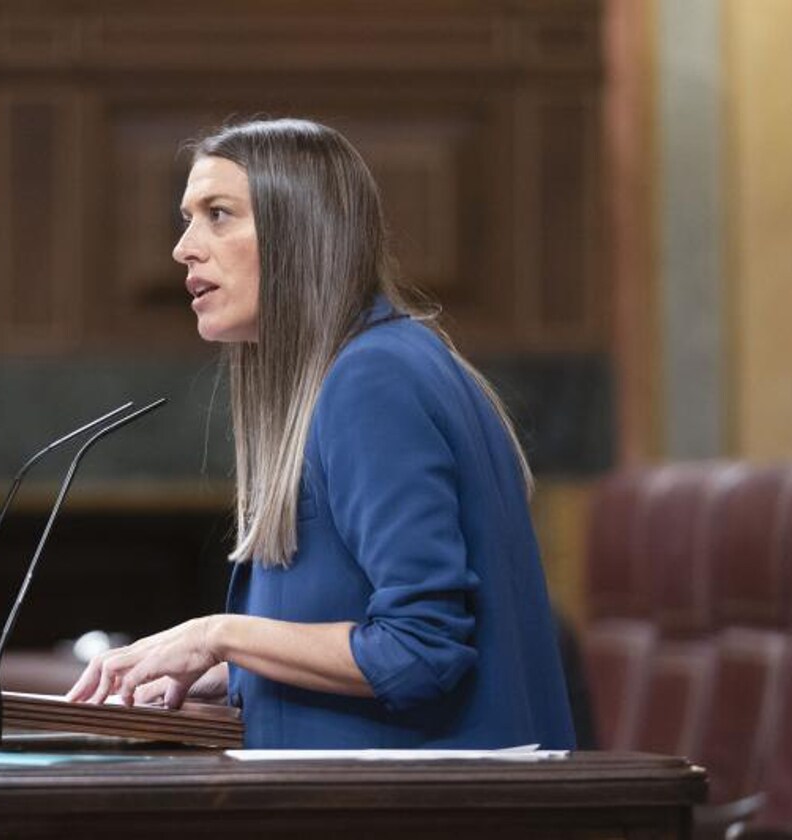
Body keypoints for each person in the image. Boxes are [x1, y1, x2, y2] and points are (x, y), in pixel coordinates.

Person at [66, 117, 576, 750]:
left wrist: (215, 635)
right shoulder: (375, 363)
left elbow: (420, 650)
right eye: (187, 217)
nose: (184, 247)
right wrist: (226, 672)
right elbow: (359, 634)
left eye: (218, 214)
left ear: (300, 233)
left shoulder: (373, 378)